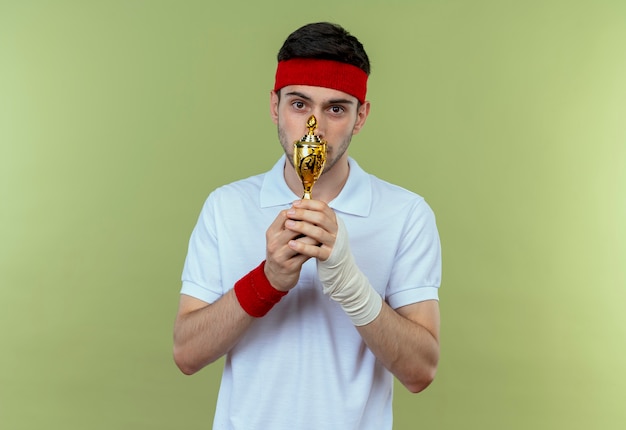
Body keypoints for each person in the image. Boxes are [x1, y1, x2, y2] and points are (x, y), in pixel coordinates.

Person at [173, 22, 442, 429]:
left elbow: (421, 372)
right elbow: (186, 354)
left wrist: (350, 282)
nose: (313, 126)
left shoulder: (407, 214)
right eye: (299, 104)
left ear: (360, 116)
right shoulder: (225, 207)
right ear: (274, 105)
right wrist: (268, 279)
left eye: (336, 108)